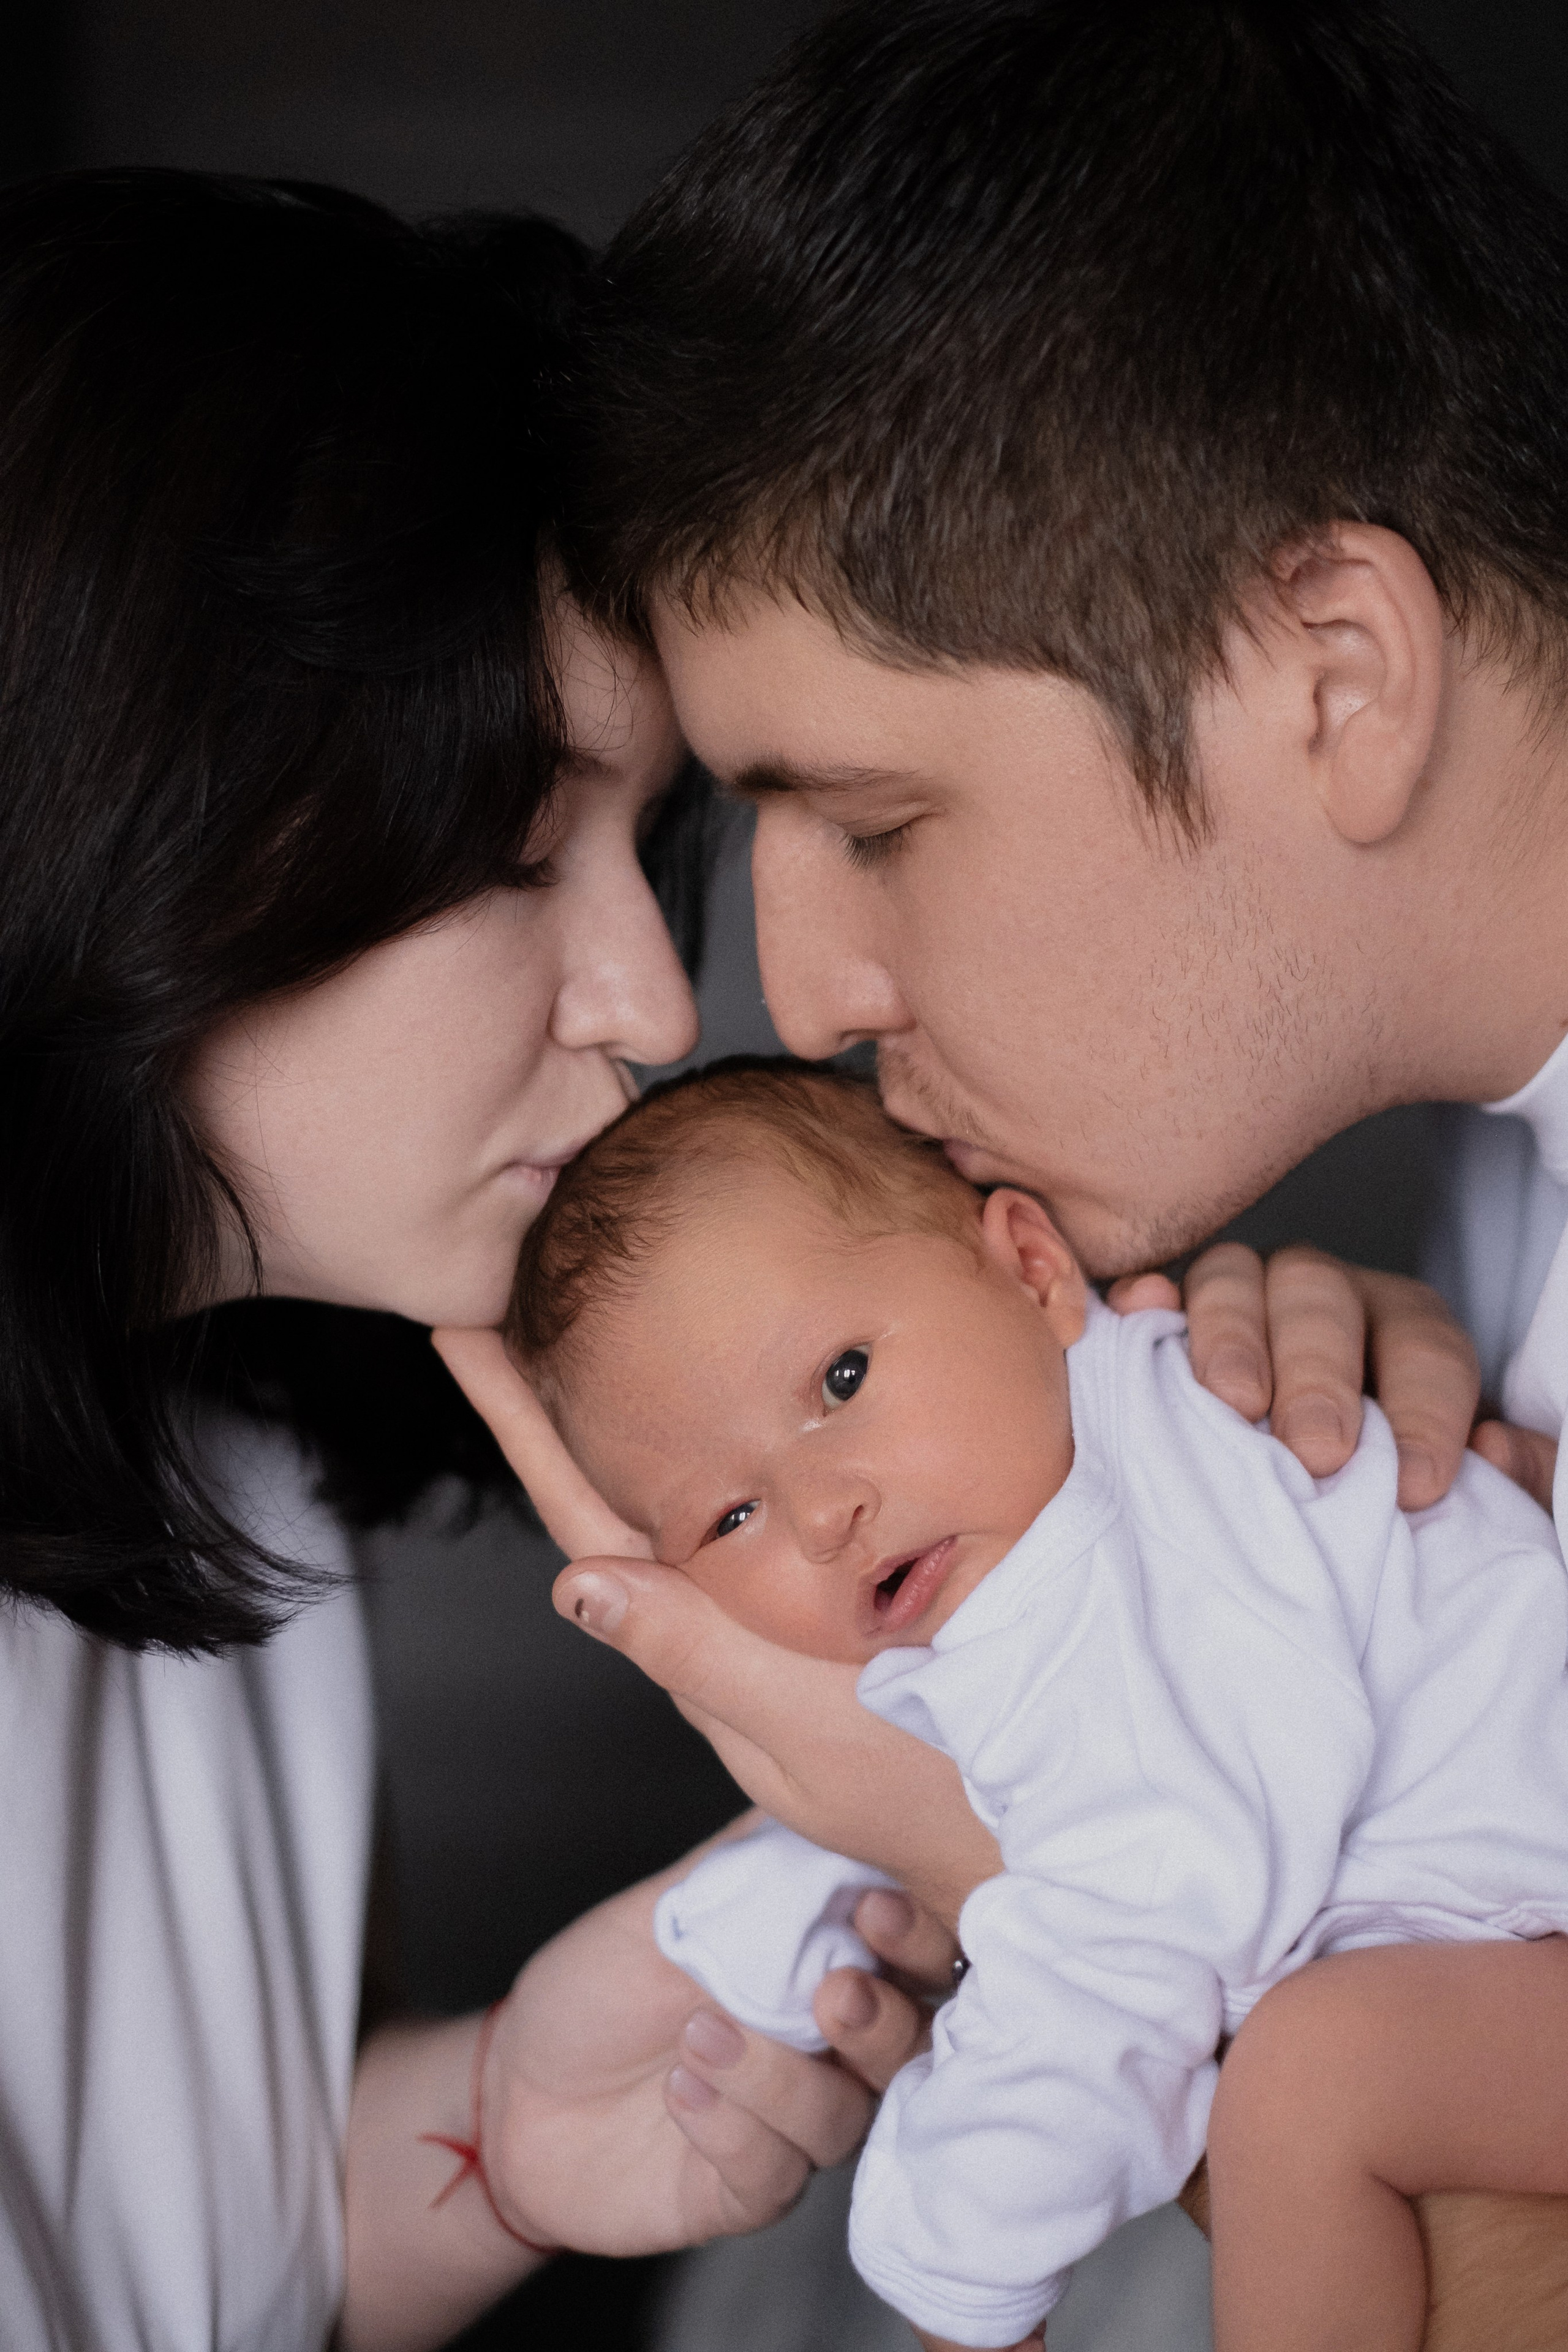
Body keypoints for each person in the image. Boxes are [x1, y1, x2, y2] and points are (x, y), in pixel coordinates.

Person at [435, 1, 1568, 2340]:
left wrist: (1009, 1849)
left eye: (871, 822)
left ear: (1333, 673)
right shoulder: (1465, 1232)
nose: (806, 994)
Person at [0, 168, 918, 2352]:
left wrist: (494, 2130)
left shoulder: (223, 1457)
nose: (646, 999)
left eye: (634, 849)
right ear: (145, 807)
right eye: (517, 847)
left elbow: (182, 2246)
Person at [494, 1057, 1568, 2352]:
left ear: (1030, 1267)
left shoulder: (1116, 1542)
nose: (822, 1514)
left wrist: (959, 2264)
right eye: (729, 1517)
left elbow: (1143, 1923)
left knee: (1303, 2086)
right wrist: (768, 1919)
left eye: (842, 1379)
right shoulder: (1053, 1498)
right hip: (1505, 1932)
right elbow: (1020, 1796)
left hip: (1530, 1928)